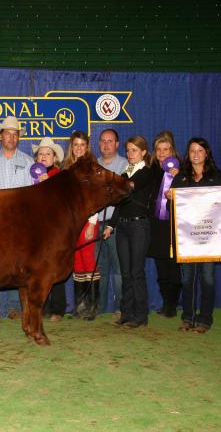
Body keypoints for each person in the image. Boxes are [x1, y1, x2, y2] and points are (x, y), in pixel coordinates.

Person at [167, 137, 221, 334]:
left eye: (200, 150)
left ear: (206, 153)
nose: (196, 154)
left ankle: (205, 319)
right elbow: (170, 208)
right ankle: (188, 318)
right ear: (187, 154)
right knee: (188, 278)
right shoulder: (181, 177)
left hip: (209, 238)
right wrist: (170, 198)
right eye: (192, 151)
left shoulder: (215, 176)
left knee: (207, 278)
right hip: (188, 238)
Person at [0, 116, 34, 323]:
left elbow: (34, 193)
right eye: (7, 133)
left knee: (18, 265)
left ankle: (14, 307)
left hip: (20, 222)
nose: (11, 137)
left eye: (15, 134)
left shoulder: (29, 162)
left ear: (18, 138)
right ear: (0, 136)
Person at [103, 135, 153, 328]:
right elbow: (119, 204)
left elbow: (129, 188)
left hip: (139, 225)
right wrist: (110, 225)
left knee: (136, 271)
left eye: (134, 150)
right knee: (125, 272)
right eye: (128, 150)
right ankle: (126, 312)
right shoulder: (125, 173)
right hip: (123, 225)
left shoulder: (146, 172)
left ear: (143, 152)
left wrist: (115, 186)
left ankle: (141, 315)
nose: (130, 154)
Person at [63, 130, 100, 321]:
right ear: (72, 147)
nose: (78, 148)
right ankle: (80, 305)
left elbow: (96, 197)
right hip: (72, 221)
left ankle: (92, 306)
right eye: (75, 145)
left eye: (82, 145)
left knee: (88, 259)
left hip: (88, 220)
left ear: (87, 148)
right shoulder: (67, 167)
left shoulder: (92, 168)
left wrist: (93, 223)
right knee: (76, 260)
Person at [147, 131, 181, 318]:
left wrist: (179, 178)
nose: (161, 153)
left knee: (173, 267)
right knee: (161, 266)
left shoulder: (181, 170)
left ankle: (172, 305)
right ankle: (166, 303)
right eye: (158, 149)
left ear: (172, 150)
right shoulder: (151, 170)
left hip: (175, 226)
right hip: (156, 225)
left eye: (165, 149)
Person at [31, 137, 65, 321]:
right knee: (38, 269)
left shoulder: (59, 175)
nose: (44, 157)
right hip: (36, 228)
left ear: (54, 158)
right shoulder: (31, 175)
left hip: (54, 228)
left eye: (47, 154)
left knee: (54, 268)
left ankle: (58, 309)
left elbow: (62, 203)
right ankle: (41, 307)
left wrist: (48, 183)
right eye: (41, 154)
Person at [96, 129, 128, 317]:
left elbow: (125, 197)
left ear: (117, 144)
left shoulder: (125, 165)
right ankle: (100, 306)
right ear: (99, 144)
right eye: (103, 141)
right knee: (100, 268)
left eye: (110, 141)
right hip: (97, 221)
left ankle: (119, 306)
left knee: (118, 267)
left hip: (115, 223)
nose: (106, 144)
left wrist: (113, 224)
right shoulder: (95, 165)